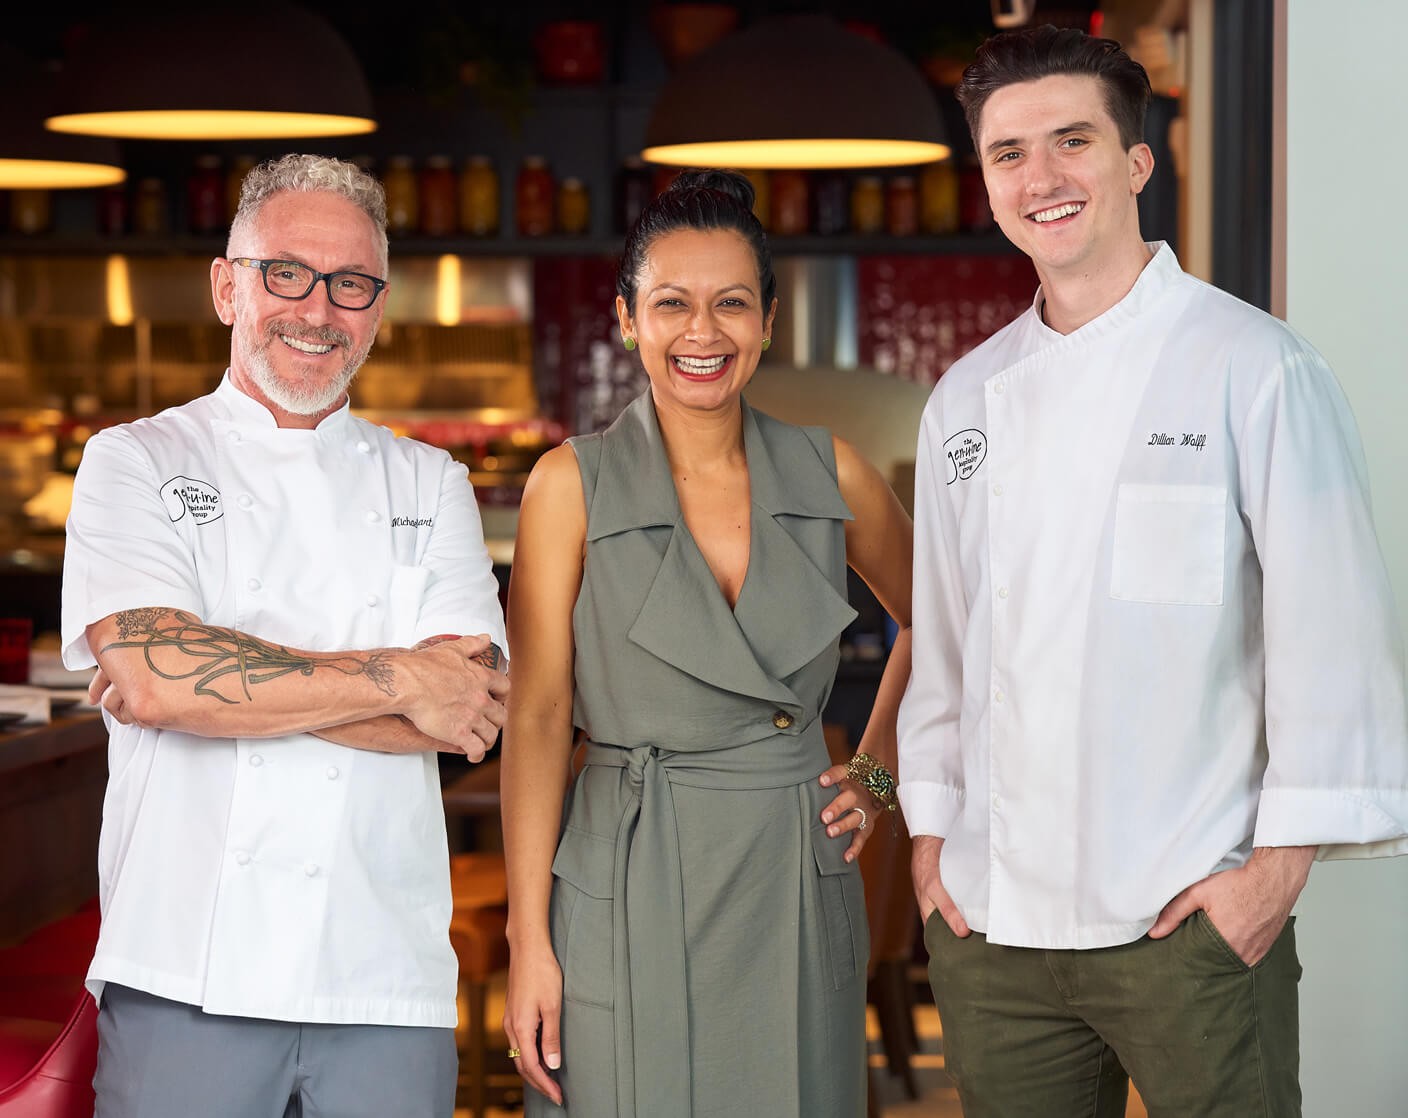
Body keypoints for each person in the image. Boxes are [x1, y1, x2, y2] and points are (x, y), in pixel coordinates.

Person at [898, 24, 1408, 1118]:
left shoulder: (1253, 365)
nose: (1041, 177)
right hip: (994, 931)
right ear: (984, 179)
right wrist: (932, 844)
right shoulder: (962, 399)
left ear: (1137, 161)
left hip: (1186, 923)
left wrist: (1270, 874)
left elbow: (1334, 635)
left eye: (1072, 140)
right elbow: (943, 643)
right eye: (1007, 152)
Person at [60, 154, 510, 1118]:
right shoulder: (133, 460)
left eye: (351, 284)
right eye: (286, 274)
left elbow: (468, 712)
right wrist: (399, 675)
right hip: (187, 966)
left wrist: (206, 683)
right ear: (229, 286)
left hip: (385, 973)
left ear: (378, 308)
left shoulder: (431, 485)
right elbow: (153, 683)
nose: (318, 308)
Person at [500, 169, 914, 1116]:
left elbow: (943, 622)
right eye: (671, 304)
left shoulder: (830, 472)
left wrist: (879, 772)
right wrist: (531, 941)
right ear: (626, 318)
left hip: (790, 870)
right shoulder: (571, 484)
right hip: (625, 868)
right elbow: (538, 715)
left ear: (769, 320)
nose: (702, 333)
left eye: (732, 304)